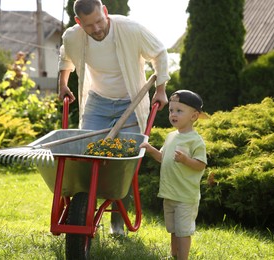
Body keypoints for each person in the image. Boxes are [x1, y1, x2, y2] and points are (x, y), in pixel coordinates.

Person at [57, 0, 170, 235]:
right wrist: (63, 84)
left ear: (105, 11)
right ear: (79, 23)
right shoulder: (73, 37)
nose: (97, 28)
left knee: (123, 164)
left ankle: (117, 225)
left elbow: (159, 53)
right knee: (86, 157)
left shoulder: (130, 29)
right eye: (89, 25)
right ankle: (84, 213)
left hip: (131, 101)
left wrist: (160, 89)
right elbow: (65, 57)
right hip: (98, 103)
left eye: (99, 20)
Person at [140, 90, 207, 260]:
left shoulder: (195, 141)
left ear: (194, 116)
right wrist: (150, 150)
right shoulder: (170, 137)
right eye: (171, 110)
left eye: (179, 111)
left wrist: (185, 160)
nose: (173, 114)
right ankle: (174, 255)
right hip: (169, 193)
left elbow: (200, 165)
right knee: (174, 229)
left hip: (185, 196)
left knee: (183, 231)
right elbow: (163, 158)